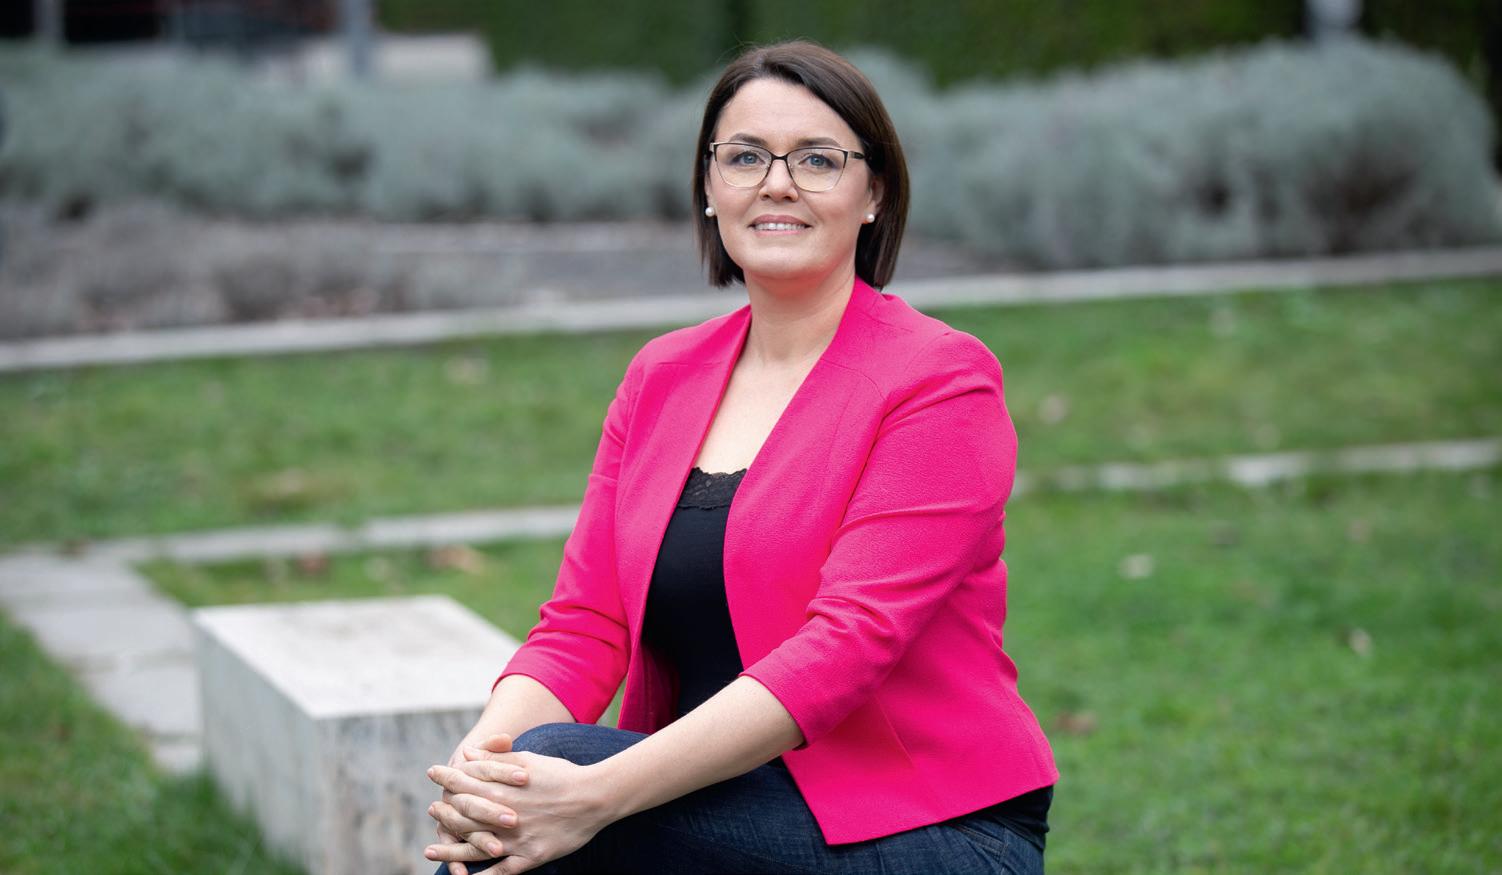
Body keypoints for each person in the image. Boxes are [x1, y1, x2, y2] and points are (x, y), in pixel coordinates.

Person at [424, 39, 1059, 875]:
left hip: (927, 825)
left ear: (874, 193)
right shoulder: (661, 377)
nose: (777, 183)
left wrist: (594, 794)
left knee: (557, 779)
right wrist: (481, 769)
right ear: (709, 186)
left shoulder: (939, 381)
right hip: (708, 805)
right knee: (518, 787)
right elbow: (584, 624)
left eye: (818, 159)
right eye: (746, 156)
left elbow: (845, 646)